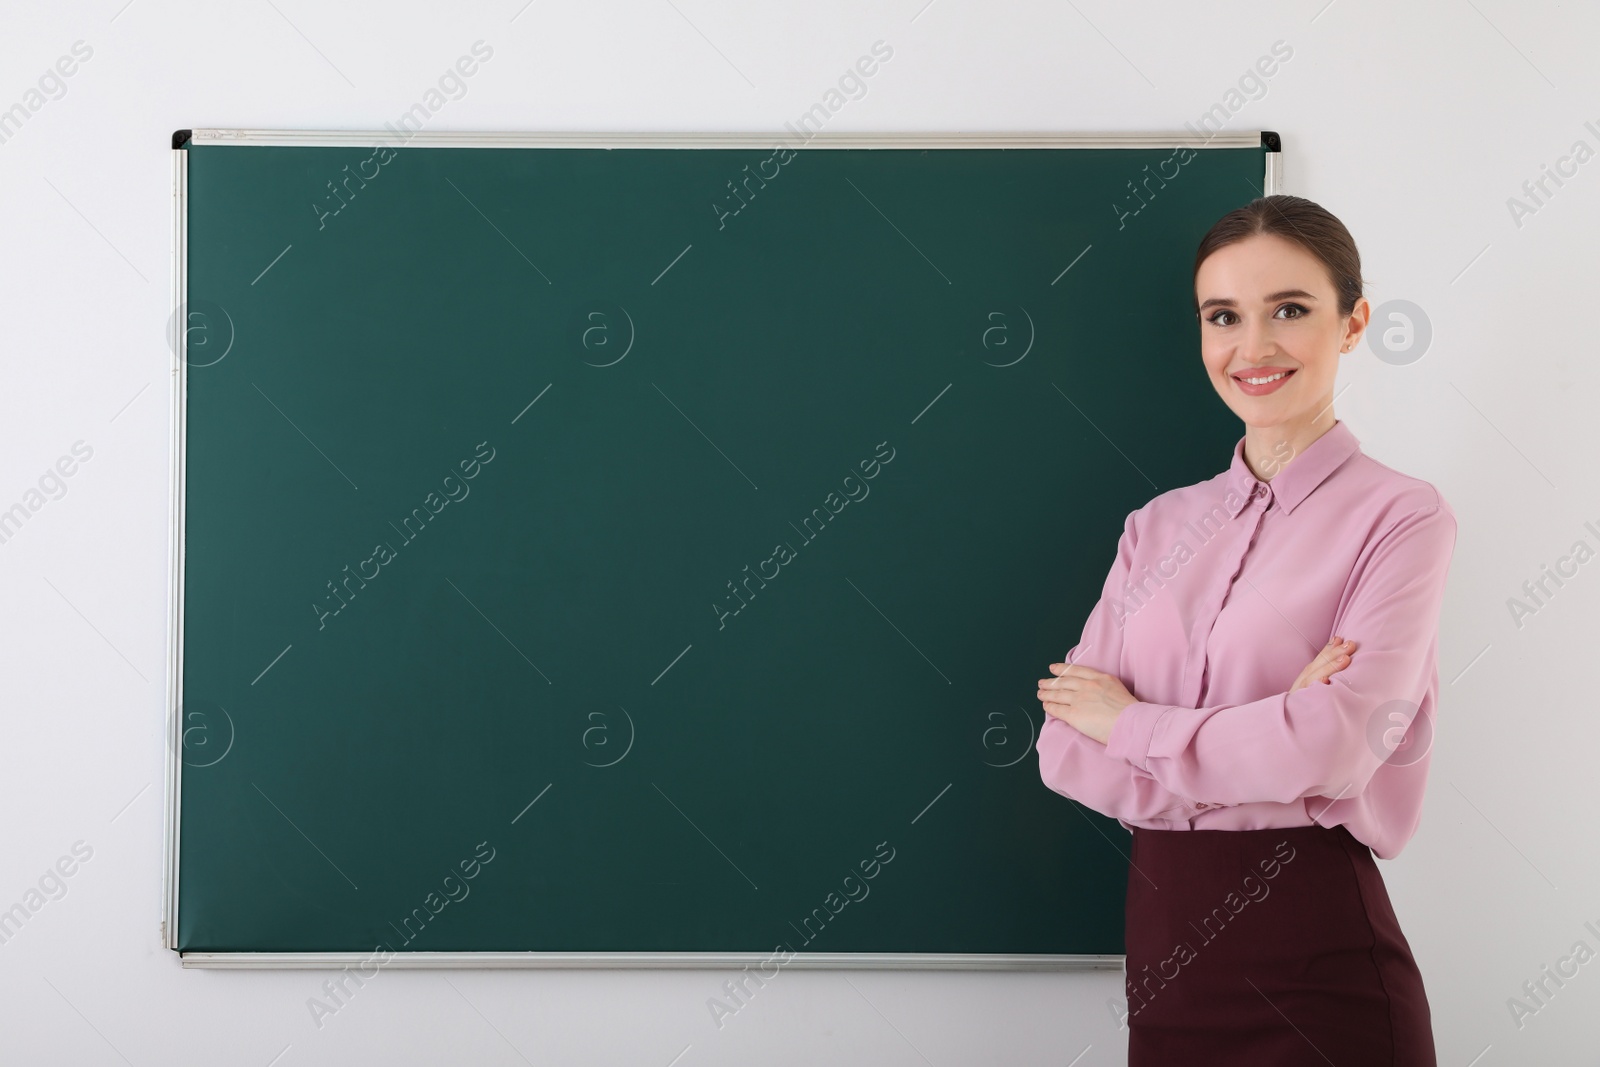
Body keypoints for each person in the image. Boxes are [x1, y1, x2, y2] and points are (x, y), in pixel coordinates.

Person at [1035, 194, 1456, 1065]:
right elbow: (1063, 752)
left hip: (1321, 959)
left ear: (1352, 323)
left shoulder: (1402, 517)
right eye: (1223, 316)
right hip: (1165, 961)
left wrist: (1131, 724)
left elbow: (1338, 746)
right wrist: (1270, 739)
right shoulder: (1153, 527)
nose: (1252, 347)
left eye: (1290, 310)